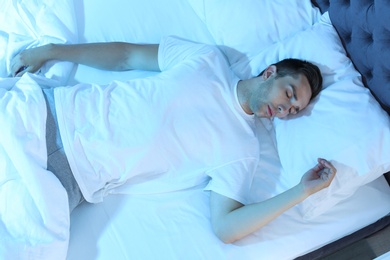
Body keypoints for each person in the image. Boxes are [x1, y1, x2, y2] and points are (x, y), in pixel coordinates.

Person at [10, 36, 336, 244]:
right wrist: (51, 52)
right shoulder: (207, 59)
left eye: (292, 110)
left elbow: (226, 228)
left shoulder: (243, 151)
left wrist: (301, 191)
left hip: (71, 177)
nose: (283, 108)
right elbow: (126, 55)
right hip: (54, 113)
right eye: (288, 94)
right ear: (270, 73)